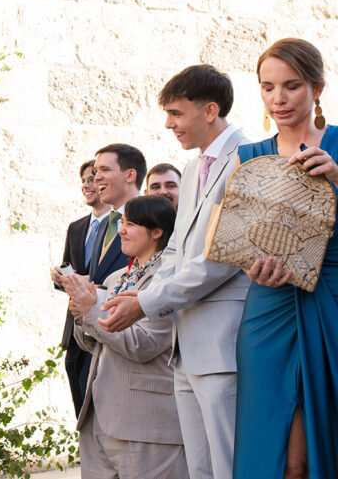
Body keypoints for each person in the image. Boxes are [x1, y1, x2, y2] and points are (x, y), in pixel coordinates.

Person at [101, 64, 248, 479]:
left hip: (222, 345)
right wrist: (136, 295)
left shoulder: (247, 157)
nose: (169, 125)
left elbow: (221, 258)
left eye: (176, 113)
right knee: (199, 470)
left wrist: (146, 303)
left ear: (210, 110)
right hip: (185, 349)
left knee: (229, 468)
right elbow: (177, 251)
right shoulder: (196, 165)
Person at [232, 38, 338, 479]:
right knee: (279, 456)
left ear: (316, 88)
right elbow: (236, 237)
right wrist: (248, 264)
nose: (278, 98)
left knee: (319, 447)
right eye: (267, 86)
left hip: (331, 300)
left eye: (291, 86)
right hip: (267, 306)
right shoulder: (248, 156)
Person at [64, 195, 187, 479]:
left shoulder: (170, 280)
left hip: (147, 423)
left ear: (157, 231)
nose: (121, 230)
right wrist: (82, 313)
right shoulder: (117, 278)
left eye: (130, 224)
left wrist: (91, 313)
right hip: (101, 418)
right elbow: (92, 344)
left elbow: (141, 344)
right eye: (122, 222)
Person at [51, 160, 110, 416]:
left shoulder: (122, 226)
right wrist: (59, 277)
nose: (87, 184)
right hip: (75, 329)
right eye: (84, 180)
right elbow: (71, 270)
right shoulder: (76, 228)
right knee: (81, 410)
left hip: (106, 323)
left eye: (92, 178)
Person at [88, 143, 146, 283]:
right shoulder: (104, 224)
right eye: (96, 171)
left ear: (130, 175)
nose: (96, 178)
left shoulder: (149, 221)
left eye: (105, 170)